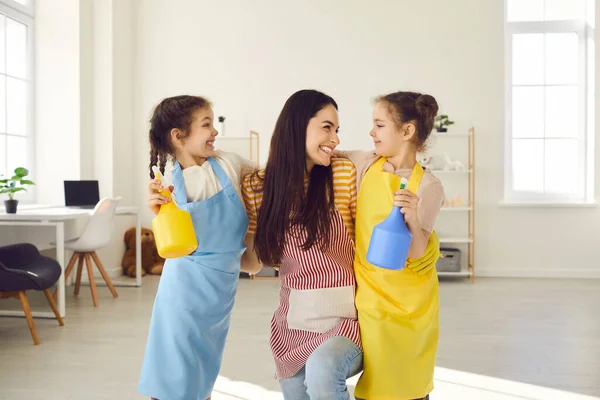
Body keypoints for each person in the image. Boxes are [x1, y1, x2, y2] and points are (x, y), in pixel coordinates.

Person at [138, 95, 260, 400]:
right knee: (173, 381)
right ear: (179, 136)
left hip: (219, 296)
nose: (215, 131)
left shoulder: (230, 164)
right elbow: (172, 243)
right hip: (182, 295)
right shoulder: (168, 184)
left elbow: (269, 178)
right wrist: (159, 211)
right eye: (206, 124)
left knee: (201, 379)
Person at [242, 89, 362, 400]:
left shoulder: (342, 173)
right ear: (297, 126)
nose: (335, 139)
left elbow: (361, 246)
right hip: (293, 321)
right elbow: (254, 263)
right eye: (327, 127)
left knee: (323, 370)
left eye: (337, 130)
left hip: (348, 318)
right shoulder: (257, 186)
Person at [341, 91, 445, 400]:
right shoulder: (365, 164)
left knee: (408, 386)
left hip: (412, 302)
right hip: (372, 297)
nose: (372, 132)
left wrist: (413, 218)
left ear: (407, 131)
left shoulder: (428, 185)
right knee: (378, 386)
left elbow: (417, 252)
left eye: (379, 125)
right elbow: (324, 153)